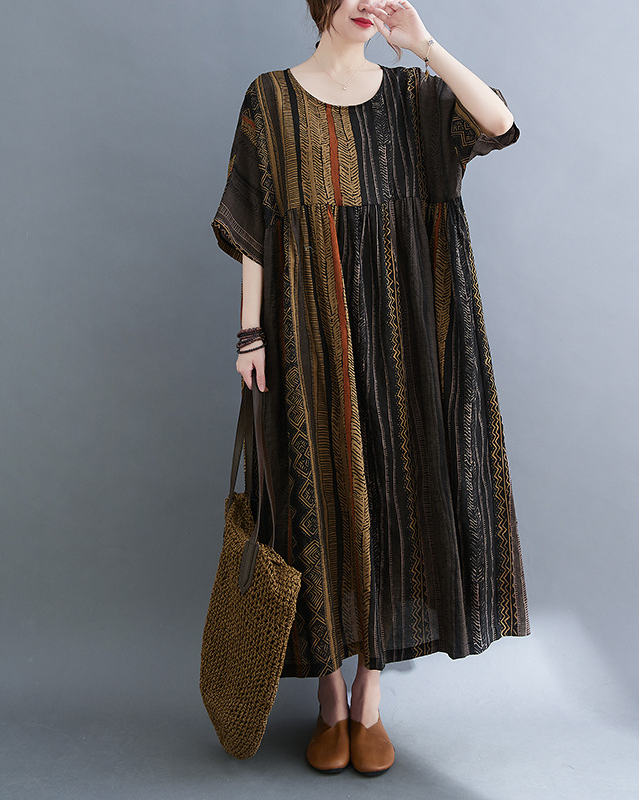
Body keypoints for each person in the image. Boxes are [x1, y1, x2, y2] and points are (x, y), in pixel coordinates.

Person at [211, 0, 530, 776]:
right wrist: (250, 333)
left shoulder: (413, 98)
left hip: (401, 337)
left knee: (392, 498)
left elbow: (496, 122)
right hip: (303, 335)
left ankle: (369, 699)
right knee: (312, 497)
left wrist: (424, 45)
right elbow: (253, 226)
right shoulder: (269, 98)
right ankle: (328, 698)